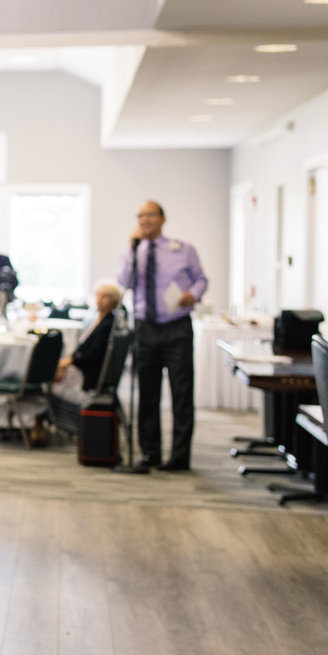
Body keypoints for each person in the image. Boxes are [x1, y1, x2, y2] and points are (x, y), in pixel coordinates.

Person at [118, 201, 207, 471]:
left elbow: (201, 279)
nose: (145, 220)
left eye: (150, 214)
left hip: (176, 327)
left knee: (181, 394)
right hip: (146, 328)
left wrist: (194, 294)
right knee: (147, 395)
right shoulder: (134, 252)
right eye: (140, 215)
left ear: (162, 219)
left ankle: (179, 457)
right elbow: (125, 283)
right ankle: (150, 453)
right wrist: (133, 251)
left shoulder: (183, 249)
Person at [53, 280, 123, 408]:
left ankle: (44, 421)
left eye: (105, 296)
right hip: (86, 367)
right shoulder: (97, 319)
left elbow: (93, 353)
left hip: (90, 374)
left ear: (113, 300)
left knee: (47, 379)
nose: (100, 300)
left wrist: (70, 362)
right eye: (98, 295)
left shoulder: (108, 325)